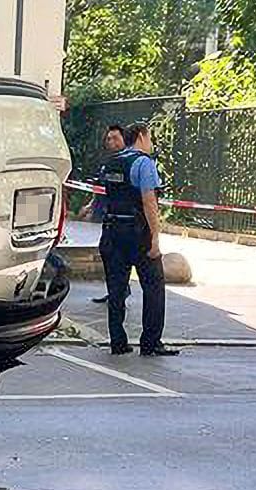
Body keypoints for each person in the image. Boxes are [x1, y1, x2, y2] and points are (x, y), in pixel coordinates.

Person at [99, 121, 178, 357]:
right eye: (150, 137)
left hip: (112, 232)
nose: (151, 143)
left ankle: (118, 342)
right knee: (153, 287)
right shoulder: (143, 163)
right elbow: (149, 202)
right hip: (137, 234)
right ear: (142, 136)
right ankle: (151, 342)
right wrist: (155, 238)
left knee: (116, 289)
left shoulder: (111, 162)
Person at [77, 124, 126, 304]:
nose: (111, 142)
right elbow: (102, 188)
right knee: (108, 254)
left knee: (116, 256)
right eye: (108, 138)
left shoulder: (128, 162)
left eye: (115, 138)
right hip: (107, 216)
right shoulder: (110, 161)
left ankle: (119, 293)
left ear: (124, 139)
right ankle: (117, 291)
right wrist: (90, 205)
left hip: (122, 219)